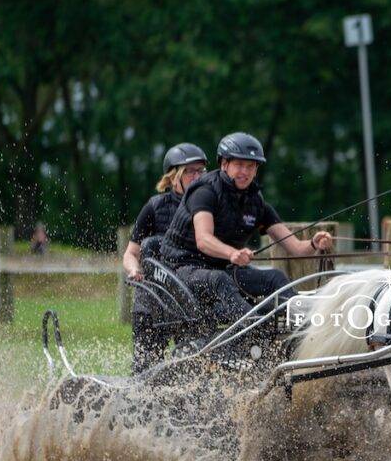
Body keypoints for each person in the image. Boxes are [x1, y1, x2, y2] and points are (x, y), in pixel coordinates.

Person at [160, 132, 333, 324]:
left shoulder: (256, 203)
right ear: (224, 164)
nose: (245, 171)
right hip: (180, 269)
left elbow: (296, 248)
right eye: (239, 164)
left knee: (275, 277)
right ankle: (254, 327)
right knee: (219, 280)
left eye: (250, 166)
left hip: (221, 270)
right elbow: (203, 240)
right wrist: (232, 253)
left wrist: (313, 243)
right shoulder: (205, 192)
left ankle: (306, 324)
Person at [124, 142, 208, 373]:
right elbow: (131, 253)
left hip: (190, 299)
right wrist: (134, 270)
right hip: (153, 300)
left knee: (192, 367)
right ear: (173, 177)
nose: (197, 176)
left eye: (201, 171)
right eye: (190, 171)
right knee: (145, 368)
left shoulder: (209, 206)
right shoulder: (154, 206)